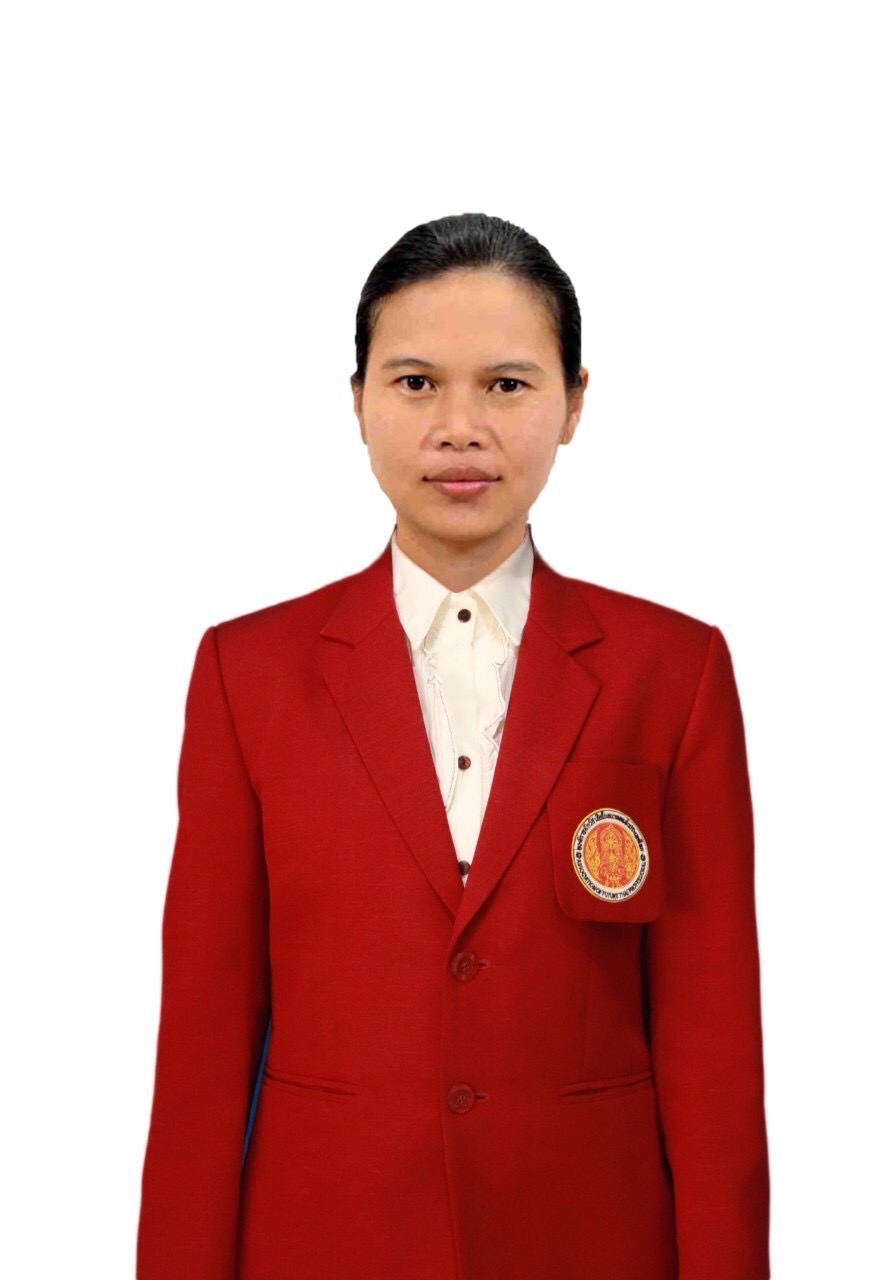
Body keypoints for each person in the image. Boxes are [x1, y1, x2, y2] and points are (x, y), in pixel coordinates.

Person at [136, 212, 770, 1280]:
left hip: (589, 1241)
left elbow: (713, 1045)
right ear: (357, 400)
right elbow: (202, 1042)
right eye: (416, 382)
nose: (460, 427)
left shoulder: (673, 672)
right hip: (325, 1241)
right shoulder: (250, 672)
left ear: (574, 402)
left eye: (507, 385)